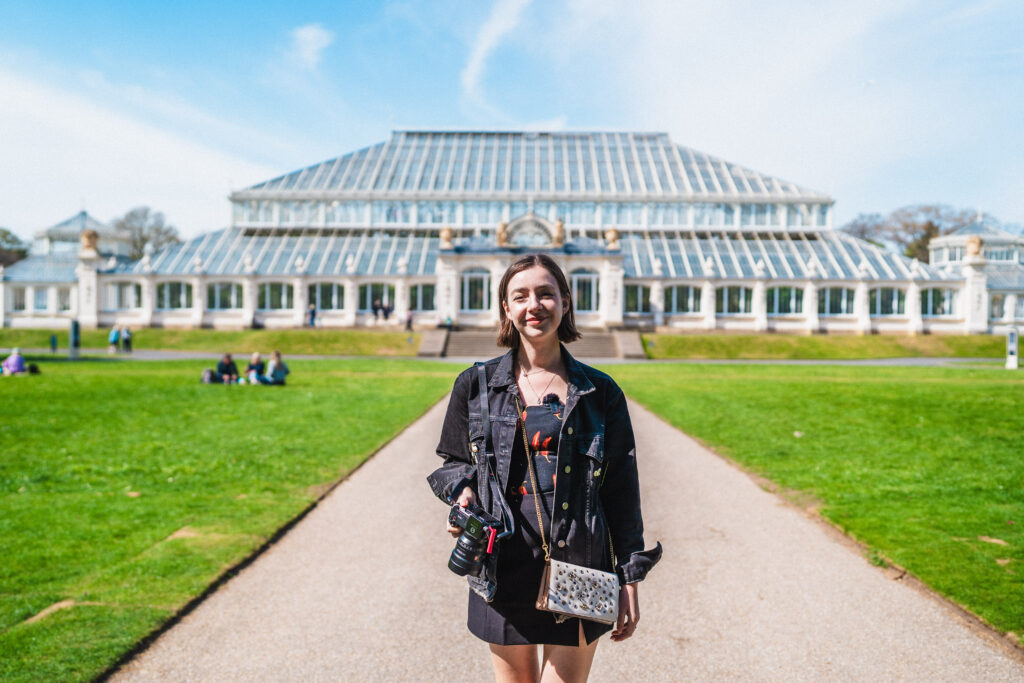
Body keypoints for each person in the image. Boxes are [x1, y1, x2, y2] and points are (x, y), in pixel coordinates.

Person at [428, 254, 662, 682]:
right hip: (501, 563)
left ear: (565, 302)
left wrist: (629, 578)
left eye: (545, 294)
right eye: (521, 296)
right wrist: (462, 491)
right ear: (507, 308)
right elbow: (452, 462)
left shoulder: (599, 392)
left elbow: (622, 490)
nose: (534, 304)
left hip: (583, 560)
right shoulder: (476, 384)